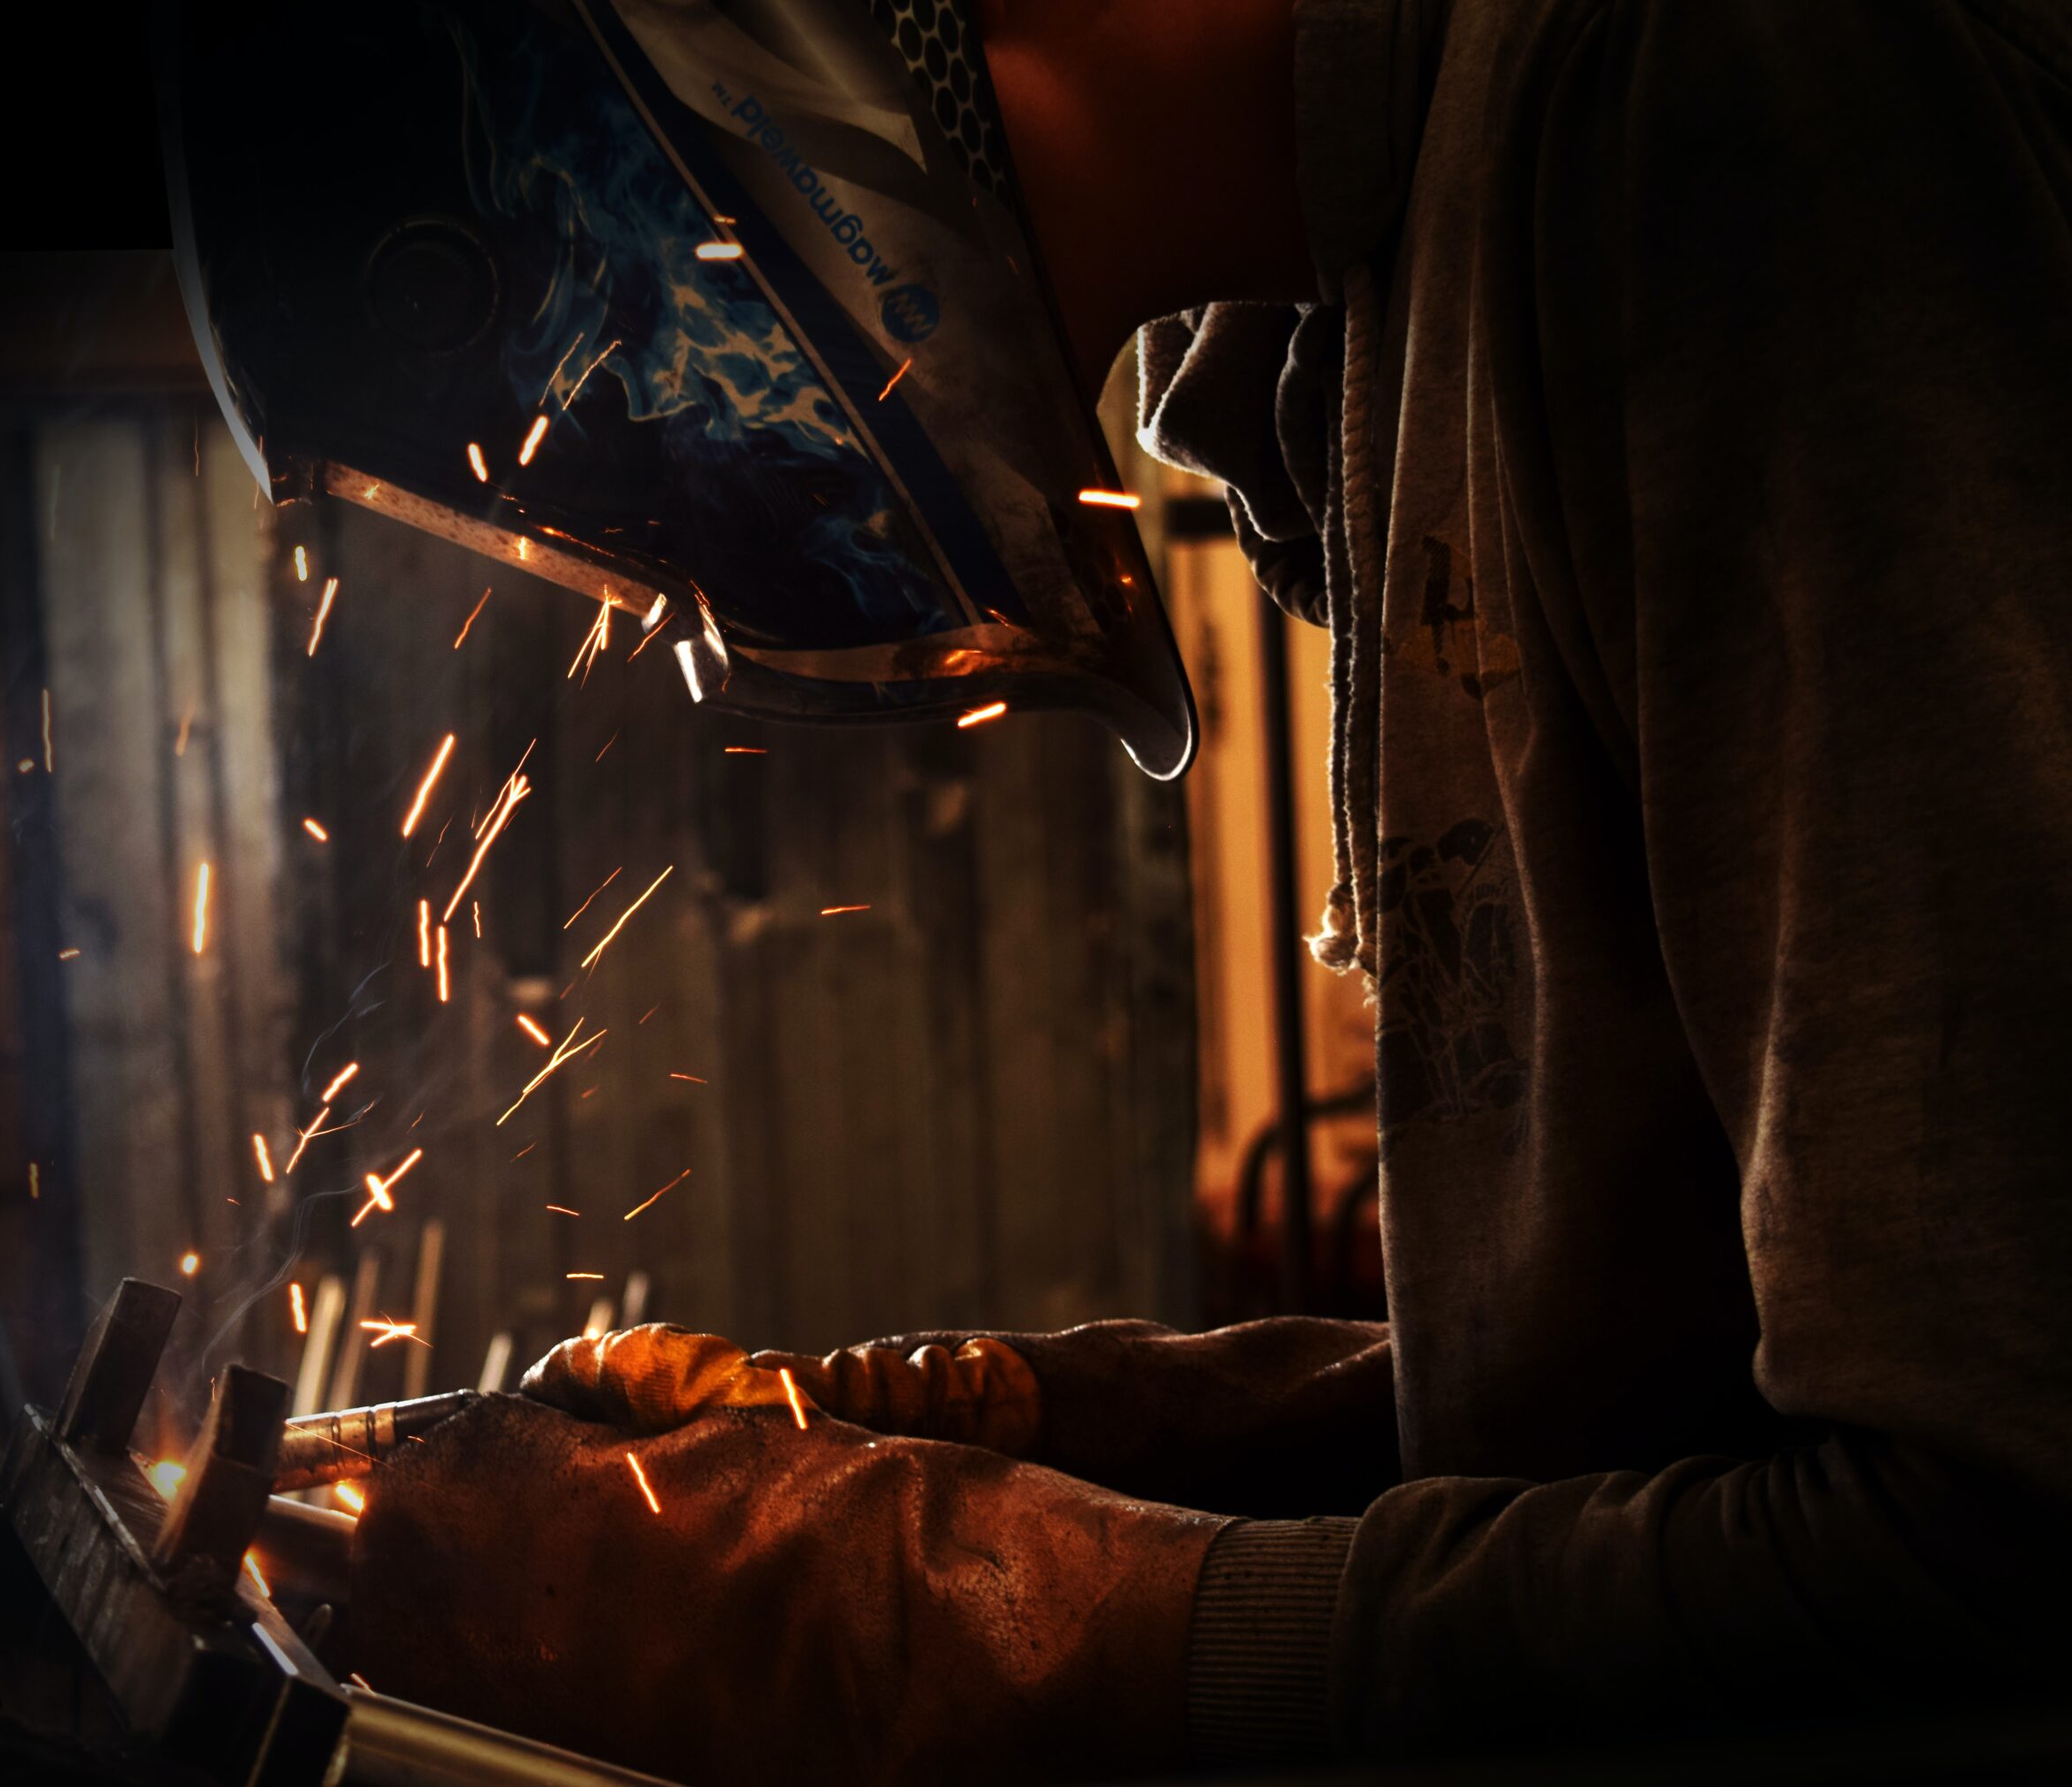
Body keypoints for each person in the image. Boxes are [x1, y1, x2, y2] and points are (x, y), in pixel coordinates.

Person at [297, 1, 2071, 1779]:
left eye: (595, 340)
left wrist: (955, 1613)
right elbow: (1649, 1387)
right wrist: (1049, 1428)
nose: (662, 496)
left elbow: (1991, 1550)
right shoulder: (1376, 290)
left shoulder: (1734, 83)